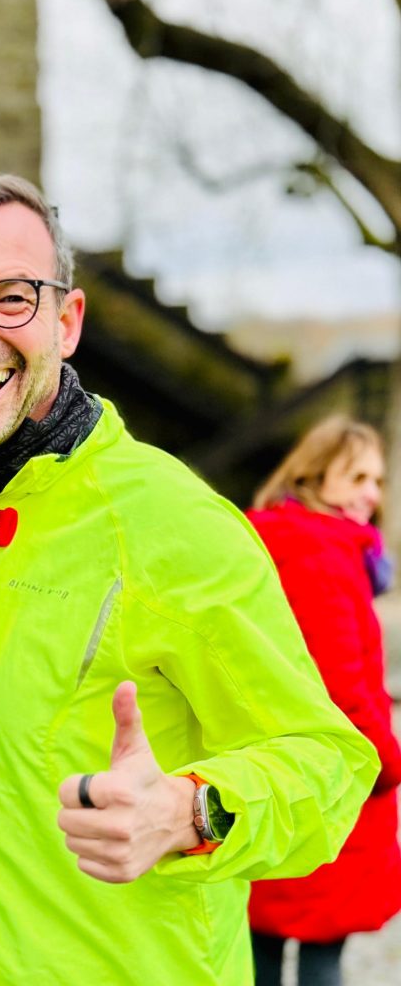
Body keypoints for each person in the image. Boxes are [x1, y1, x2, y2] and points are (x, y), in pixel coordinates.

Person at [0, 173, 379, 985]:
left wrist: (191, 810)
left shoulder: (174, 524)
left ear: (68, 320)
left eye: (13, 297)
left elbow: (332, 765)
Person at [246, 416, 401, 986]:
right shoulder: (321, 555)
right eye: (358, 475)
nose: (372, 493)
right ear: (315, 472)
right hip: (331, 786)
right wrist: (388, 763)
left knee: (258, 946)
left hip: (278, 773)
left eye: (379, 481)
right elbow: (340, 689)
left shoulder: (289, 541)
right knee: (319, 958)